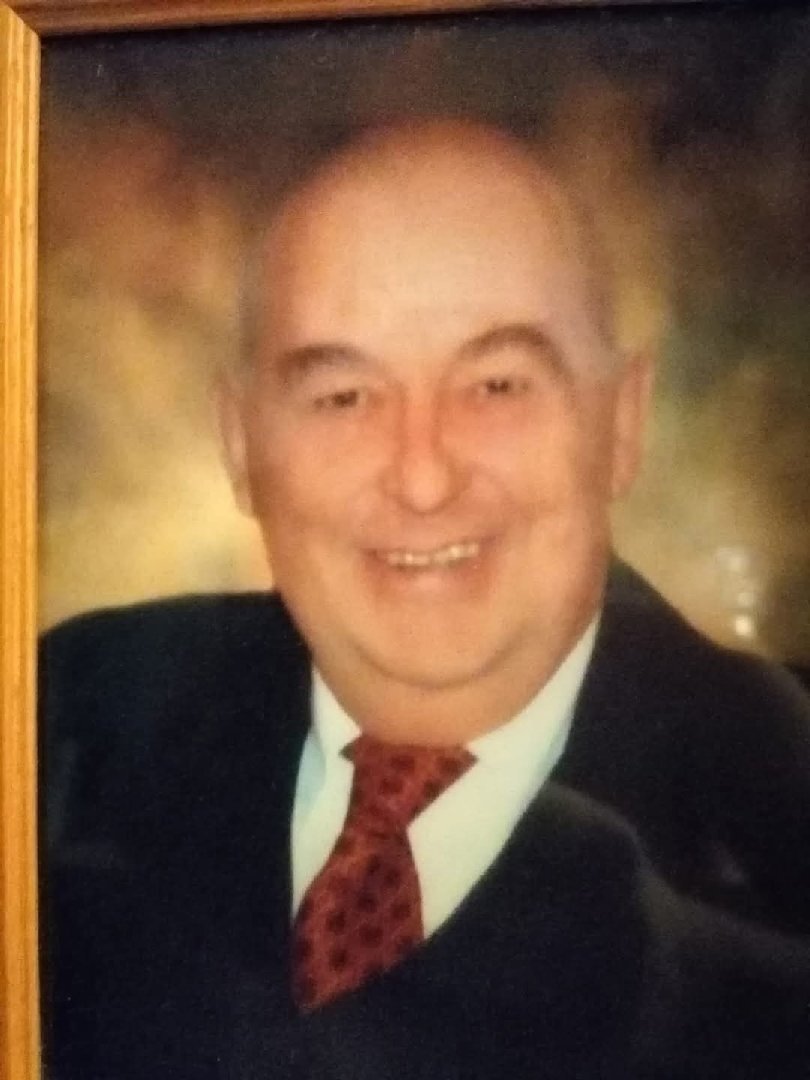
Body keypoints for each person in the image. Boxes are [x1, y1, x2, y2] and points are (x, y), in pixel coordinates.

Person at [40, 120, 810, 1080]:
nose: (422, 478)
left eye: (496, 385)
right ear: (240, 444)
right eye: (344, 397)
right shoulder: (66, 722)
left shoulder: (781, 808)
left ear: (622, 420)